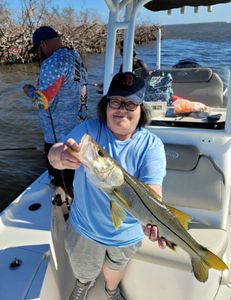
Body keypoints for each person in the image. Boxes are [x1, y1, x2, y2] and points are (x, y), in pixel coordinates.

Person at [48, 72, 167, 300]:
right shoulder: (91, 130)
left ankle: (111, 290)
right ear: (106, 105)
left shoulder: (152, 146)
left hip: (127, 234)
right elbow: (57, 152)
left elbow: (153, 193)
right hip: (84, 228)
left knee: (115, 269)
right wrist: (60, 156)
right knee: (83, 270)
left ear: (141, 109)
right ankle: (83, 284)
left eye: (130, 103)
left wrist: (155, 222)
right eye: (115, 101)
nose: (121, 109)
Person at [23, 26, 88, 197]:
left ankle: (67, 203)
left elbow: (41, 102)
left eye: (37, 50)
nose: (39, 55)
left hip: (58, 137)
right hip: (79, 129)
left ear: (43, 44)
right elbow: (83, 91)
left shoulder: (53, 62)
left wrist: (29, 90)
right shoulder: (75, 57)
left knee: (62, 182)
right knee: (76, 173)